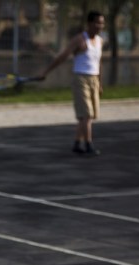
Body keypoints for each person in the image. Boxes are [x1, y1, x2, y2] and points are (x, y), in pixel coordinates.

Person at [38, 10, 105, 156]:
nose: (101, 26)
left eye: (102, 23)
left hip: (93, 79)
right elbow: (62, 57)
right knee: (86, 114)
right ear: (89, 23)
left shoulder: (100, 41)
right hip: (81, 79)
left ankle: (76, 144)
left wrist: (99, 82)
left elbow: (98, 62)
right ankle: (88, 145)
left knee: (88, 116)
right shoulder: (80, 40)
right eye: (98, 23)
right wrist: (45, 72)